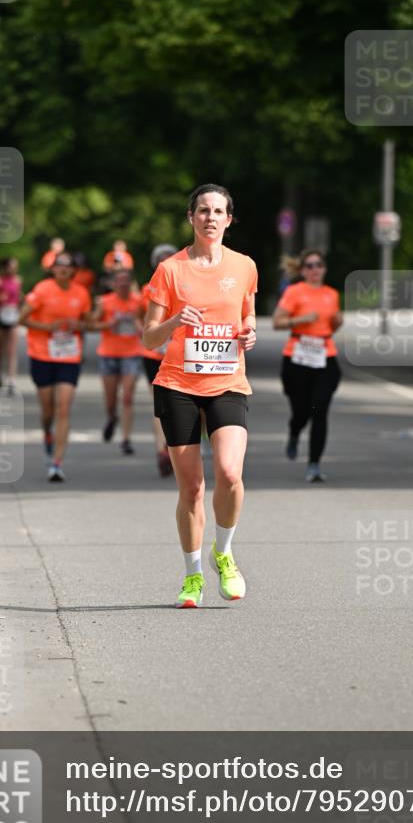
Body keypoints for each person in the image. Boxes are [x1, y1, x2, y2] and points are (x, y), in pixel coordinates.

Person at [143, 184, 257, 609]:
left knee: (229, 472)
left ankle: (222, 553)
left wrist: (249, 331)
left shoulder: (244, 266)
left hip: (227, 382)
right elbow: (148, 336)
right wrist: (174, 320)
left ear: (229, 220)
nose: (211, 217)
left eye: (219, 211)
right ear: (190, 217)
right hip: (177, 386)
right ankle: (193, 577)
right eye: (203, 210)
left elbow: (247, 311)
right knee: (191, 488)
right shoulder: (170, 270)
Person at [18, 252, 92, 482]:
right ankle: (47, 435)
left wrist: (76, 324)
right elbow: (22, 318)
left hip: (69, 357)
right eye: (58, 266)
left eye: (67, 266)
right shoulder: (42, 289)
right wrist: (47, 326)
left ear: (73, 271)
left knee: (63, 408)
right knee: (48, 410)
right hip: (42, 354)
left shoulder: (81, 293)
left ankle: (57, 462)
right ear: (52, 270)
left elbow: (88, 321)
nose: (62, 270)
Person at [271, 248, 343, 483]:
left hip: (324, 357)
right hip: (297, 357)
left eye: (319, 265)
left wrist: (337, 322)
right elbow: (277, 322)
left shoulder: (331, 294)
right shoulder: (294, 292)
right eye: (310, 266)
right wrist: (300, 320)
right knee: (301, 411)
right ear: (302, 270)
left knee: (319, 411)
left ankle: (314, 464)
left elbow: (331, 327)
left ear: (324, 268)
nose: (315, 269)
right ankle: (294, 432)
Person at [90, 268, 145, 455]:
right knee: (111, 400)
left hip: (132, 353)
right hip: (108, 354)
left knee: (128, 397)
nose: (123, 284)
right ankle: (112, 418)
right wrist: (107, 325)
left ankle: (126, 439)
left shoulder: (139, 302)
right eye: (119, 281)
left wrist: (140, 325)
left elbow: (150, 323)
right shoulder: (105, 302)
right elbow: (91, 324)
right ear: (113, 284)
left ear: (131, 283)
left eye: (126, 281)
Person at [141, 244, 178, 477]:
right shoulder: (148, 289)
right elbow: (141, 319)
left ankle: (201, 437)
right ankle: (162, 450)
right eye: (160, 261)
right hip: (154, 354)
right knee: (160, 404)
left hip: (183, 352)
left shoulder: (190, 284)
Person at [0, 257, 23, 393]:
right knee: (1, 350)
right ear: (5, 267)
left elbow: (18, 296)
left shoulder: (18, 280)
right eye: (11, 266)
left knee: (12, 350)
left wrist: (21, 303)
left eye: (15, 266)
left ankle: (12, 380)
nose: (13, 269)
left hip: (13, 315)